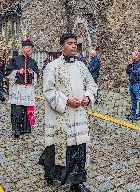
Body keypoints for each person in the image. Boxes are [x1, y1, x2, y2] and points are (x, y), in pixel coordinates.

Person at [40, 33, 98, 192]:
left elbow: (92, 85)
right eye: (70, 43)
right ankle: (51, 172)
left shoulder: (81, 66)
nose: (74, 46)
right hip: (61, 115)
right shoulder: (53, 67)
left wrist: (87, 97)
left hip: (78, 114)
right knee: (59, 145)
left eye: (75, 43)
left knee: (78, 146)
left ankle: (76, 182)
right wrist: (66, 101)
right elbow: (48, 90)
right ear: (62, 46)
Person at [6, 38, 39, 139]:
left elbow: (37, 74)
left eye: (30, 48)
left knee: (27, 109)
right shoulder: (15, 60)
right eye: (27, 47)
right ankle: (16, 129)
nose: (29, 50)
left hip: (28, 89)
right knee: (17, 109)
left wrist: (32, 73)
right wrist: (17, 72)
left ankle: (26, 128)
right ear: (23, 48)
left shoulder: (33, 62)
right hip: (17, 88)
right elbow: (8, 72)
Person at [126, 51, 140, 120]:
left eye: (132, 55)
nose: (131, 57)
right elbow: (127, 71)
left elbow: (138, 73)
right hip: (132, 83)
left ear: (137, 56)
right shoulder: (133, 63)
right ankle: (133, 113)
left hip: (138, 83)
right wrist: (130, 65)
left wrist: (131, 70)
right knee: (133, 99)